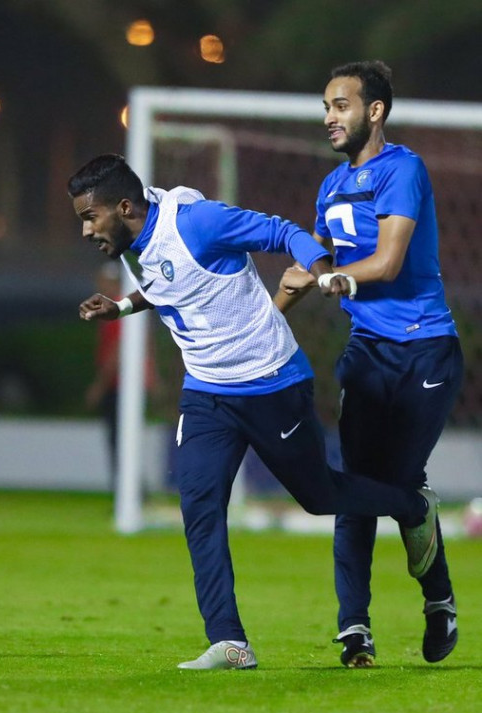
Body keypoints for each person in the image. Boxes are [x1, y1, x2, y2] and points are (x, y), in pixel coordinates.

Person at [68, 153, 439, 670]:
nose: (86, 230)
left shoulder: (198, 223)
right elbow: (170, 283)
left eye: (90, 217)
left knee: (319, 496)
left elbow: (281, 231)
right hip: (206, 392)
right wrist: (123, 307)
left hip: (269, 382)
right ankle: (230, 641)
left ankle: (412, 506)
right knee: (199, 504)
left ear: (124, 206)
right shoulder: (133, 241)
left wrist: (325, 272)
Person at [274, 61, 462, 667]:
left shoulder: (403, 169)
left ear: (374, 111)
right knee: (355, 487)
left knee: (399, 483)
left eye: (341, 105)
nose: (329, 117)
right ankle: (354, 629)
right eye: (326, 106)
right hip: (368, 355)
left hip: (425, 349)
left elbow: (387, 262)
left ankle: (439, 603)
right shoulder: (330, 188)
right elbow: (311, 266)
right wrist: (266, 316)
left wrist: (338, 280)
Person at [85, 262, 161, 488]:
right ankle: (132, 489)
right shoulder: (128, 308)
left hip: (121, 386)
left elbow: (117, 353)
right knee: (125, 438)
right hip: (132, 384)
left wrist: (99, 386)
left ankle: (129, 490)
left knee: (119, 439)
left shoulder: (118, 309)